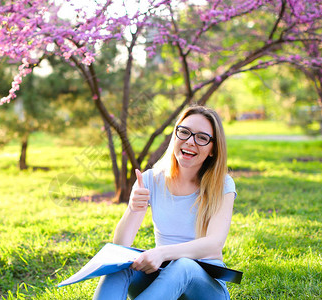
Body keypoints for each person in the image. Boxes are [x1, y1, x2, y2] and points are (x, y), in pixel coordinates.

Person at [93, 106, 237, 300]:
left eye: (202, 137)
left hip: (204, 289)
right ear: (175, 136)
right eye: (184, 132)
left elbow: (213, 244)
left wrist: (163, 253)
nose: (190, 141)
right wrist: (133, 209)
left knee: (184, 265)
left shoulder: (222, 184)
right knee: (120, 265)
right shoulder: (150, 180)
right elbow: (121, 245)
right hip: (161, 284)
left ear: (213, 149)